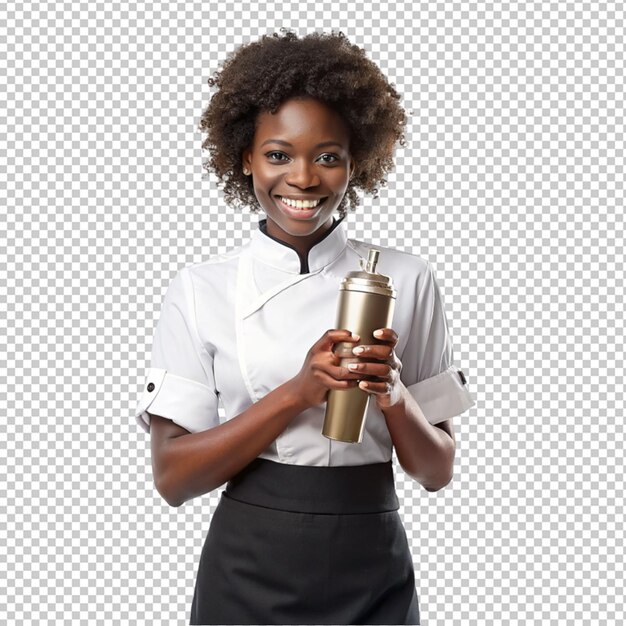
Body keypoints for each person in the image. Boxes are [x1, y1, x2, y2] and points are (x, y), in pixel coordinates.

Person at [133, 29, 475, 625]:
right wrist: (298, 391)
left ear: (354, 161)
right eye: (277, 154)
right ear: (245, 156)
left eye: (327, 156)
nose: (303, 178)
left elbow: (436, 471)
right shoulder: (200, 288)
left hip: (373, 566)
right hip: (247, 568)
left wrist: (392, 394)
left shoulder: (407, 277)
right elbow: (173, 478)